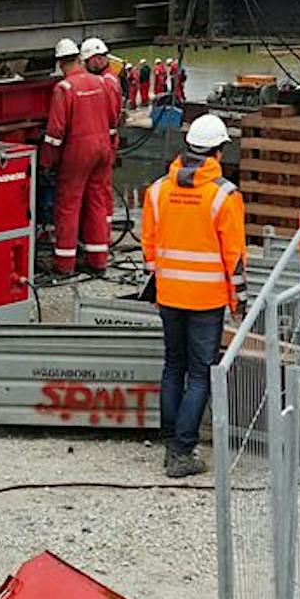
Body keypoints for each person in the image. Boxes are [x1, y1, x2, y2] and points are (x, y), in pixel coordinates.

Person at [140, 111, 244, 478]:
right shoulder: (224, 196)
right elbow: (235, 257)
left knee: (173, 366)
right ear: (217, 152)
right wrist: (238, 302)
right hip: (207, 300)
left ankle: (171, 441)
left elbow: (148, 247)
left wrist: (161, 282)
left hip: (169, 295)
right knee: (199, 374)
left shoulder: (158, 190)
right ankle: (182, 452)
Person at [76, 37, 126, 272]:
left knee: (98, 195)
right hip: (107, 140)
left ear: (96, 59)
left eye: (87, 61)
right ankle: (101, 243)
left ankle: (99, 246)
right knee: (102, 193)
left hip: (103, 139)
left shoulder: (104, 82)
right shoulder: (110, 79)